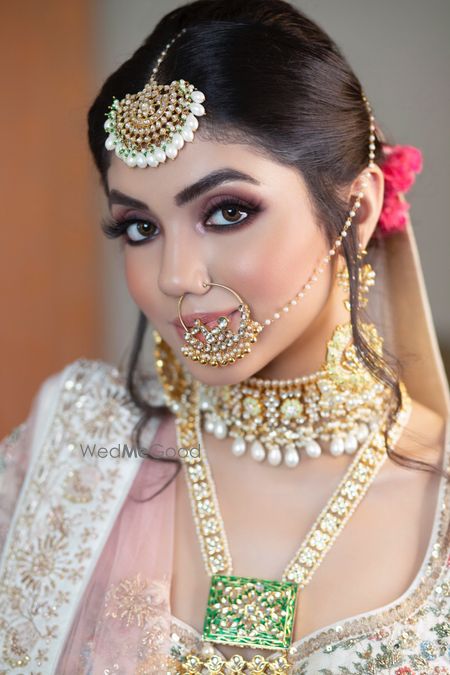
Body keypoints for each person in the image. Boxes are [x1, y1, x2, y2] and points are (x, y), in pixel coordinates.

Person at [1, 0, 449, 672]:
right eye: (140, 228)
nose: (177, 277)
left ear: (356, 213)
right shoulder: (72, 443)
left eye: (228, 211)